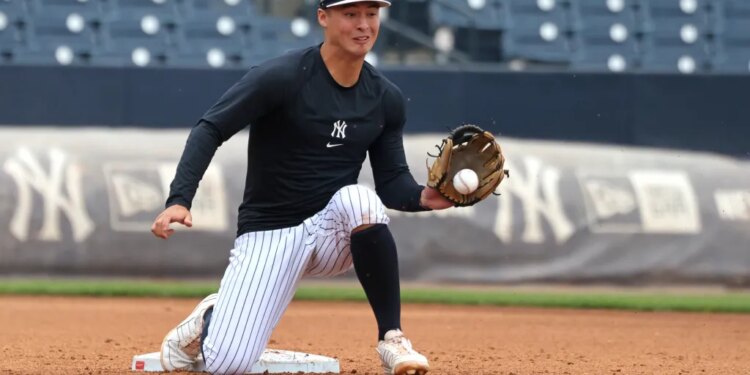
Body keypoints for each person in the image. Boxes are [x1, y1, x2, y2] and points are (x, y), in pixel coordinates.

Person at [150, 0, 453, 374]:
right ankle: (214, 313)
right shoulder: (283, 77)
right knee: (228, 364)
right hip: (269, 232)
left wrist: (426, 197)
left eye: (371, 14)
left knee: (360, 199)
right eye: (350, 14)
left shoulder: (384, 98)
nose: (363, 25)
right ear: (323, 18)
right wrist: (180, 199)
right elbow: (210, 127)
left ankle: (392, 338)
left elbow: (391, 183)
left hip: (331, 232)